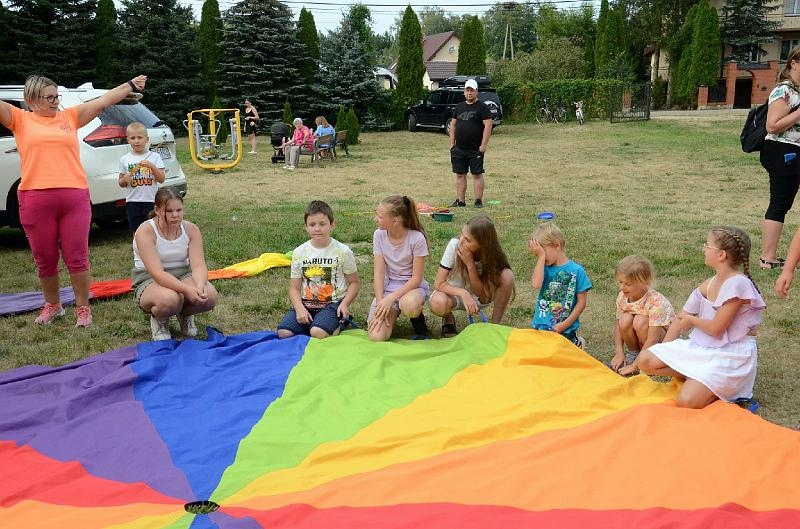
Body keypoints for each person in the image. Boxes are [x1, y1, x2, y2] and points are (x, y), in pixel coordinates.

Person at [0, 74, 148, 327]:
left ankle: (82, 308)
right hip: (35, 199)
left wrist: (130, 86)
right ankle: (53, 305)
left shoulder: (69, 117)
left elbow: (101, 102)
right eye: (50, 97)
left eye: (57, 96)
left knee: (76, 256)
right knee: (44, 258)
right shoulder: (19, 119)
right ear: (32, 99)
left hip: (74, 197)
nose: (56, 101)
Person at [638, 227, 766, 409]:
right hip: (705, 348)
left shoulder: (738, 283)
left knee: (686, 401)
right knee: (645, 360)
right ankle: (697, 376)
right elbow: (681, 318)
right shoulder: (710, 282)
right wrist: (664, 352)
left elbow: (716, 329)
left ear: (721, 255)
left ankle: (706, 382)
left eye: (707, 246)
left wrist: (692, 322)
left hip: (731, 355)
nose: (703, 249)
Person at [132, 187, 218, 341]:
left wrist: (199, 285)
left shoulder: (191, 229)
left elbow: (198, 265)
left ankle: (185, 314)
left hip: (183, 274)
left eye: (179, 210)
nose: (175, 215)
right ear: (157, 210)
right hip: (150, 279)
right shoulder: (145, 231)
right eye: (169, 211)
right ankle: (160, 319)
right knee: (170, 300)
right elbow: (157, 273)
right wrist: (187, 290)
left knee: (209, 296)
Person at [277, 200, 360, 339]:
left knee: (317, 333)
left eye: (322, 224)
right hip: (307, 304)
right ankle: (316, 323)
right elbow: (294, 288)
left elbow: (355, 282)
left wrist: (345, 304)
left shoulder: (343, 251)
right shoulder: (299, 252)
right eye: (312, 224)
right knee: (284, 333)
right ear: (306, 227)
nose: (317, 229)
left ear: (332, 225)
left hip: (332, 304)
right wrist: (300, 309)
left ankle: (340, 322)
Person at [429, 215, 515, 337]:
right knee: (437, 303)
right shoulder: (454, 245)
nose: (461, 241)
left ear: (482, 244)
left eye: (468, 240)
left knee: (507, 275)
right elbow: (438, 283)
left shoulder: (491, 256)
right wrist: (463, 294)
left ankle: (495, 326)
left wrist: (470, 265)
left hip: (479, 298)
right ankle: (448, 318)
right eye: (462, 234)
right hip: (452, 295)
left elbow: (482, 294)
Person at [760, 46, 800, 269]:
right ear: (793, 63)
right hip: (781, 151)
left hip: (794, 151)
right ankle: (768, 258)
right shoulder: (783, 91)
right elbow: (772, 125)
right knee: (780, 202)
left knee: (783, 203)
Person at [368, 195, 430, 341]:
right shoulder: (378, 235)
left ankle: (418, 321)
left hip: (411, 288)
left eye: (380, 216)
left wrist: (390, 299)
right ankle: (391, 313)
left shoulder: (417, 238)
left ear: (395, 220)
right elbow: (378, 272)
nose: (375, 219)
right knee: (376, 336)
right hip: (389, 287)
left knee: (410, 305)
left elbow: (416, 278)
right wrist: (380, 302)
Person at [527, 222, 592, 348]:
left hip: (564, 329)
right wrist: (541, 257)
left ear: (556, 245)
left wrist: (565, 324)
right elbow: (535, 284)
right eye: (537, 255)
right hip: (541, 327)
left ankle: (577, 342)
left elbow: (581, 303)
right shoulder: (544, 268)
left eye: (543, 253)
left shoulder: (577, 271)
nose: (541, 258)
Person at [611, 255, 676, 376]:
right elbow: (618, 325)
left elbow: (653, 339)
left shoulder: (656, 302)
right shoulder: (622, 296)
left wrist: (636, 365)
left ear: (643, 283)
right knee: (625, 319)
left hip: (660, 343)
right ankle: (635, 353)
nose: (622, 287)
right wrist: (619, 352)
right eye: (620, 282)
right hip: (643, 338)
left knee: (640, 320)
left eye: (628, 284)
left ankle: (647, 359)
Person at [449, 78, 492, 209]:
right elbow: (453, 124)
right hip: (459, 149)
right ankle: (460, 201)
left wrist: (483, 145)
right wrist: (452, 144)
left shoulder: (482, 108)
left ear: (476, 92)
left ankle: (478, 201)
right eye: (467, 90)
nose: (469, 93)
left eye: (472, 90)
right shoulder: (459, 107)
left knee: (477, 174)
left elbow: (488, 125)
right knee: (460, 174)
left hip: (475, 149)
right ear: (464, 92)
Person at [118, 122, 165, 233]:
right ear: (128, 140)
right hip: (132, 202)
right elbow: (120, 182)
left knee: (154, 229)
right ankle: (138, 250)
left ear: (146, 139)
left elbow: (161, 179)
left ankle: (154, 249)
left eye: (140, 137)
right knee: (137, 231)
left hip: (151, 200)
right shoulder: (124, 159)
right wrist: (124, 180)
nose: (136, 141)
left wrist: (152, 166)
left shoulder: (155, 157)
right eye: (133, 138)